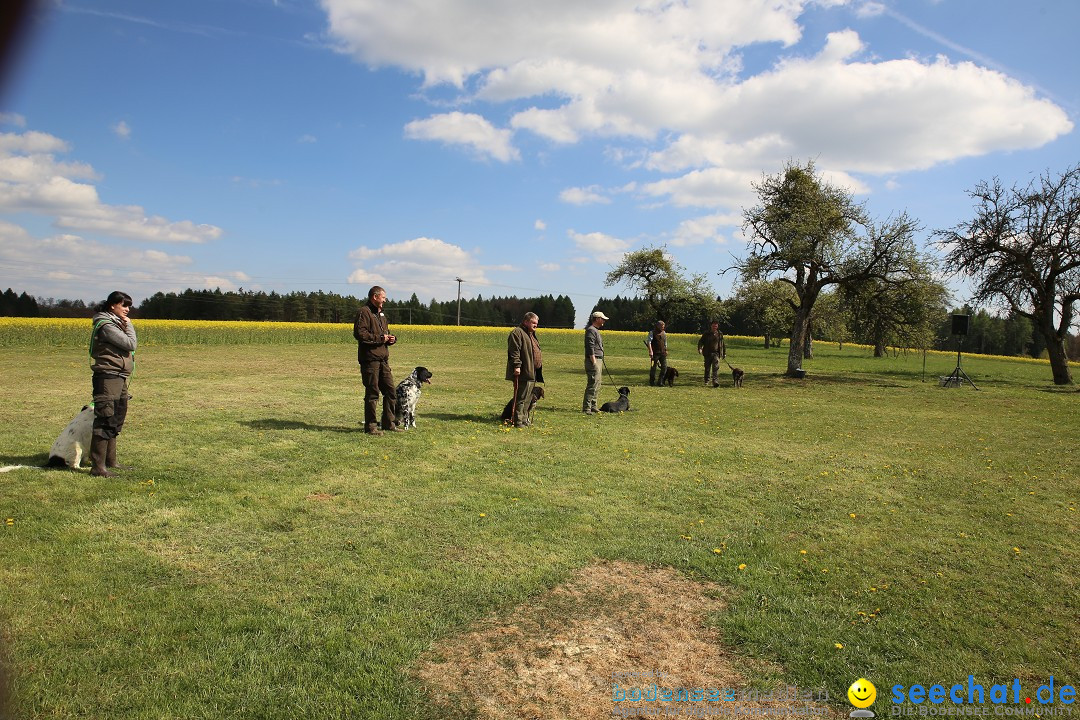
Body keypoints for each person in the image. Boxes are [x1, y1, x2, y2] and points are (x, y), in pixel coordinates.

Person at [89, 290, 137, 477]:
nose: (127, 310)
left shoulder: (116, 322)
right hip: (108, 376)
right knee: (105, 418)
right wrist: (130, 326)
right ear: (112, 305)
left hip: (119, 376)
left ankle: (111, 461)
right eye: (124, 305)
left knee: (117, 417)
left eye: (129, 307)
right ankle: (98, 467)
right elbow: (130, 344)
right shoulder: (106, 325)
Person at [353, 286, 401, 435]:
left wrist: (390, 339)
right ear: (375, 297)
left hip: (383, 359)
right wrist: (381, 338)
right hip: (370, 360)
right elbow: (360, 334)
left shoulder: (381, 315)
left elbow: (384, 334)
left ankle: (389, 423)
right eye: (383, 298)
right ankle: (371, 427)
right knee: (373, 393)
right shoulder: (364, 312)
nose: (385, 300)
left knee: (391, 392)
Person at [506, 312, 543, 428]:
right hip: (523, 371)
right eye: (533, 322)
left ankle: (523, 419)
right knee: (521, 398)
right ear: (526, 321)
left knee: (528, 398)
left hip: (532, 372)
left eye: (536, 323)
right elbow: (514, 351)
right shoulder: (517, 333)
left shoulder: (531, 334)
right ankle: (517, 421)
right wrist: (517, 366)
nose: (535, 325)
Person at [582, 310, 609, 414]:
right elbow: (590, 346)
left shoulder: (595, 330)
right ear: (597, 319)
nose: (604, 321)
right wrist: (593, 361)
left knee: (597, 384)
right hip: (593, 360)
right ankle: (587, 408)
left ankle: (593, 405)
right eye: (603, 319)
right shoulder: (591, 330)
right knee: (593, 384)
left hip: (598, 360)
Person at [697, 320, 726, 387]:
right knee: (707, 368)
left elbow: (722, 344)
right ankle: (706, 380)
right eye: (713, 326)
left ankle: (715, 381)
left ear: (717, 326)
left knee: (715, 367)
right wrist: (700, 348)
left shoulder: (720, 334)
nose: (714, 327)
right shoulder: (706, 333)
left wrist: (724, 353)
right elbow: (701, 342)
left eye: (716, 326)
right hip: (707, 353)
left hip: (716, 353)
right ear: (711, 326)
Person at [648, 320, 668, 387]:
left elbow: (665, 343)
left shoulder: (664, 333)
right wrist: (650, 351)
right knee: (653, 368)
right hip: (655, 354)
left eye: (663, 326)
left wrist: (666, 349)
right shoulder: (652, 332)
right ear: (658, 326)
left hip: (662, 353)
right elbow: (649, 342)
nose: (663, 328)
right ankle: (652, 382)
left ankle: (660, 382)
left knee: (664, 368)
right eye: (662, 326)